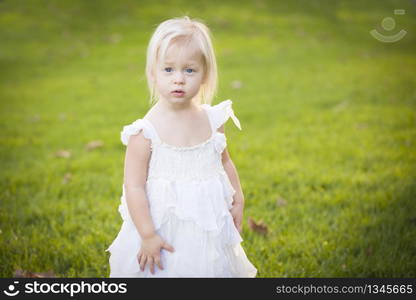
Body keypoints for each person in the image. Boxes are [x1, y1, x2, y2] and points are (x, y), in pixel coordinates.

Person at [106, 15, 257, 277]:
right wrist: (148, 234)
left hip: (206, 227)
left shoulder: (213, 120)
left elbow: (225, 162)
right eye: (168, 70)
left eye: (189, 70)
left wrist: (238, 197)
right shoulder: (145, 132)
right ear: (153, 74)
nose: (179, 79)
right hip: (162, 231)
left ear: (205, 74)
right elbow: (134, 187)